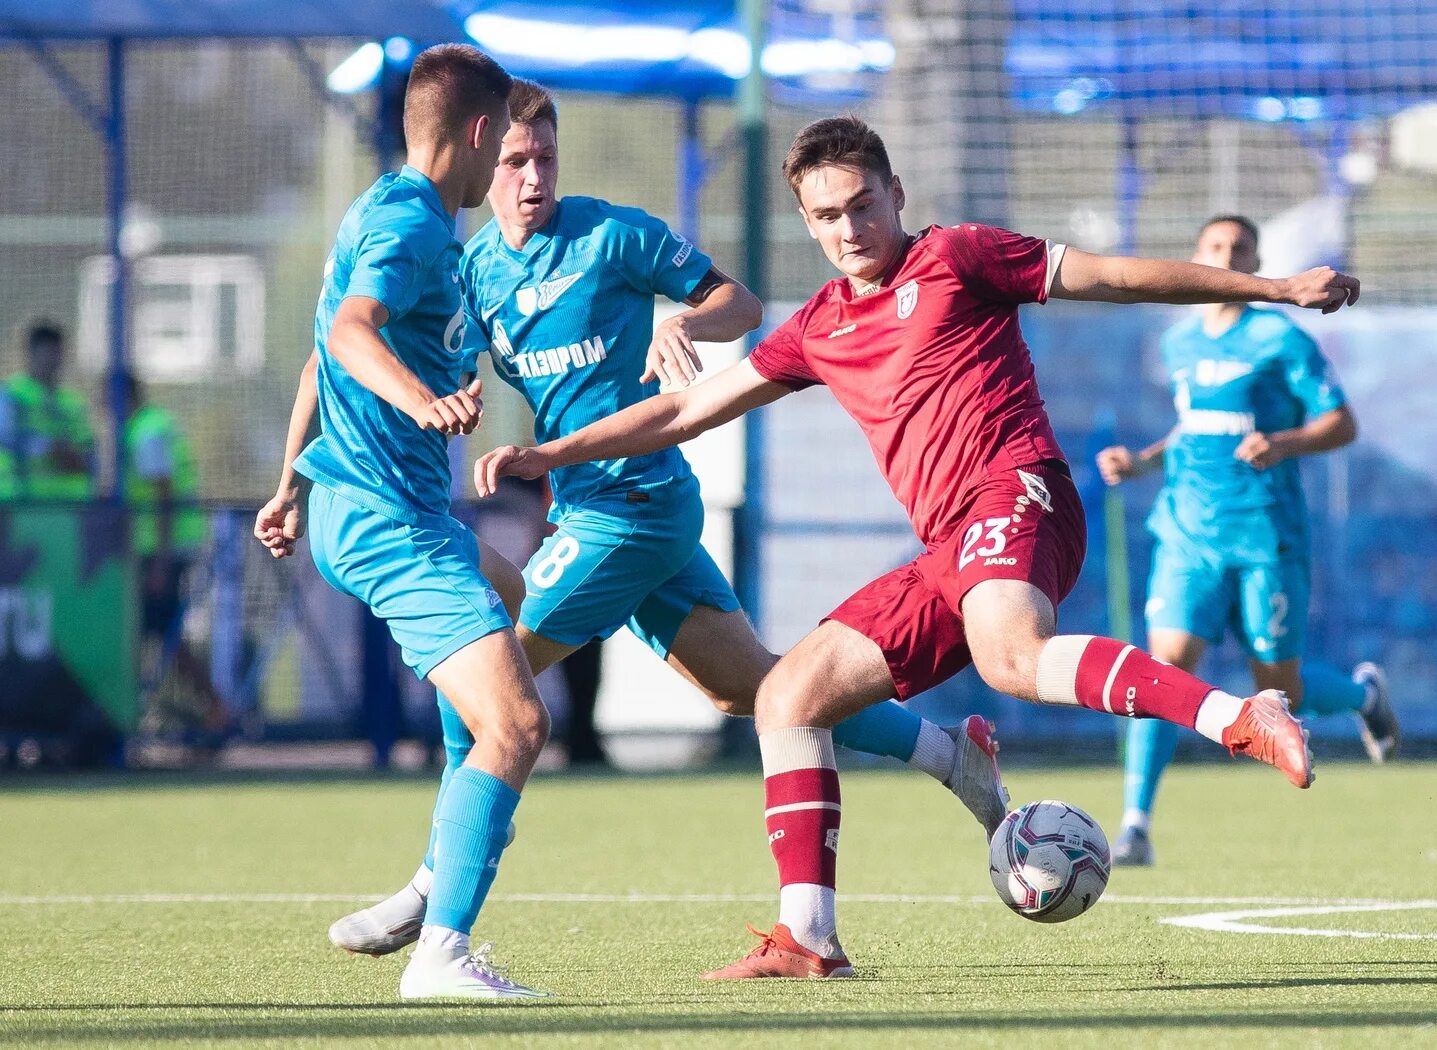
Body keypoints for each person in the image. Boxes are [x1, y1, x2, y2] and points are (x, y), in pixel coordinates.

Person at [474, 115, 1364, 980]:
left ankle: (1242, 717)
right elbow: (679, 409)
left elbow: (1113, 277)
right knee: (788, 694)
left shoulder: (959, 255)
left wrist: (1274, 290)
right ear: (807, 222)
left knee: (1010, 656)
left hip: (1021, 491)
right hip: (949, 549)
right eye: (827, 216)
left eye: (863, 205)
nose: (849, 229)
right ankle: (807, 937)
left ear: (896, 194)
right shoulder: (819, 325)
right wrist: (552, 453)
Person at [322, 81, 1011, 961]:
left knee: (494, 679)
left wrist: (680, 321)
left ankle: (433, 892)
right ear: (482, 160)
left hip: (637, 508)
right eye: (516, 163)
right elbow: (428, 347)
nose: (534, 178)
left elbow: (744, 304)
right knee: (761, 692)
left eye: (547, 159)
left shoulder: (614, 235)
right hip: (585, 506)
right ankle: (951, 755)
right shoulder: (473, 270)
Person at [253, 43, 548, 1000]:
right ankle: (443, 954)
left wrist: (290, 485)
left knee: (523, 621)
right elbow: (349, 334)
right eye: (503, 138)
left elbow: (316, 360)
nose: (509, 155)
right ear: (474, 133)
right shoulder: (416, 225)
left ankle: (429, 886)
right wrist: (423, 401)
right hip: (388, 517)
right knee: (515, 720)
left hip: (366, 503)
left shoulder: (380, 210)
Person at [1094, 215, 1398, 867]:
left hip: (1265, 536)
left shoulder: (1278, 337)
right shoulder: (1177, 342)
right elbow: (1192, 428)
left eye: (1240, 251)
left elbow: (1342, 424)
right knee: (1165, 665)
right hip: (1187, 533)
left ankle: (1364, 697)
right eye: (1215, 248)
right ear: (1197, 256)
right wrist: (1143, 462)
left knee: (1276, 686)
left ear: (1255, 264)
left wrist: (1283, 443)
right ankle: (1136, 825)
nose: (1227, 257)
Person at [123, 375, 226, 732]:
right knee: (156, 631)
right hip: (157, 549)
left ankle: (213, 710)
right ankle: (201, 709)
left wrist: (162, 562)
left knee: (161, 630)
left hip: (159, 551)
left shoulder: (145, 432)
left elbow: (164, 495)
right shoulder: (150, 427)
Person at [2, 321, 97, 500]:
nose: (53, 360)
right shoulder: (12, 394)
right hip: (23, 504)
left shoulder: (73, 401)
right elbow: (6, 438)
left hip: (70, 504)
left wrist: (80, 459)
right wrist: (48, 448)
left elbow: (89, 448)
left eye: (57, 352)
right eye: (47, 352)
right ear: (30, 353)